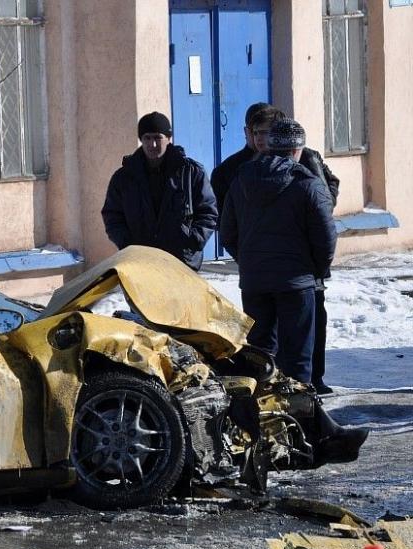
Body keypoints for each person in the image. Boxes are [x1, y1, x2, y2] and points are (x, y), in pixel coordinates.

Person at [213, 102, 340, 394]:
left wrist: (249, 261)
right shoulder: (307, 183)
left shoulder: (242, 178)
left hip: (255, 282)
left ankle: (262, 416)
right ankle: (301, 424)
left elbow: (228, 232)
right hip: (296, 283)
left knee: (261, 355)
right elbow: (326, 238)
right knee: (296, 359)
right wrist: (315, 270)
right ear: (297, 150)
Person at [101, 111, 218, 271]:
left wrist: (192, 240)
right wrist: (127, 244)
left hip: (181, 264)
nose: (152, 144)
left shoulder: (191, 173)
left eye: (157, 137)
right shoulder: (124, 178)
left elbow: (208, 212)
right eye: (147, 138)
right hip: (140, 266)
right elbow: (112, 215)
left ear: (168, 138)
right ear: (141, 139)